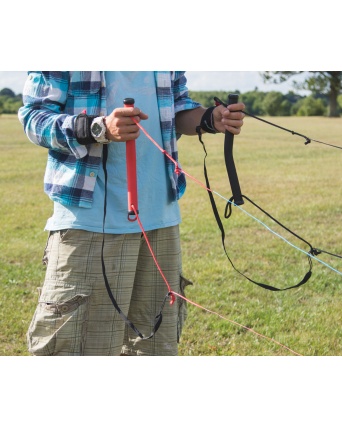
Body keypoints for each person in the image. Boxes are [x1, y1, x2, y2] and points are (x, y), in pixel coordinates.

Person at [18, 71, 245, 356]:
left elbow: (178, 109)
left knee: (154, 348)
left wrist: (211, 118)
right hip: (88, 220)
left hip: (160, 219)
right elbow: (34, 117)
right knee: (81, 349)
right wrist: (98, 128)